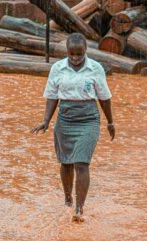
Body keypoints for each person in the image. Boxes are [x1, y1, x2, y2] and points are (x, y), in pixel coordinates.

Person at [31, 32, 115, 222]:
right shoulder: (57, 68)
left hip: (88, 119)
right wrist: (46, 121)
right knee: (66, 162)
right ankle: (68, 199)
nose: (76, 58)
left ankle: (79, 208)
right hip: (65, 119)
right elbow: (52, 95)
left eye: (79, 54)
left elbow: (104, 97)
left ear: (86, 51)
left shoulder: (95, 68)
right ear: (67, 51)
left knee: (82, 163)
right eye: (72, 54)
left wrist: (110, 121)